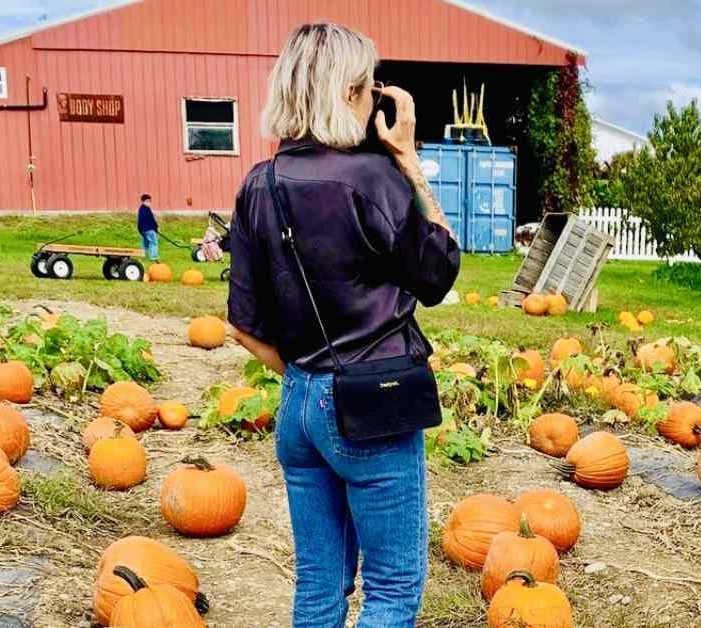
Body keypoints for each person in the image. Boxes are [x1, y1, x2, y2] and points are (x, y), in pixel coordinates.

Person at [225, 23, 460, 628]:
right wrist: (407, 159)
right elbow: (440, 273)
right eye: (368, 85)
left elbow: (244, 327)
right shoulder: (371, 178)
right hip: (374, 407)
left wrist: (311, 381)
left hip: (299, 406)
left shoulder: (261, 183)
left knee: (319, 588)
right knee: (392, 590)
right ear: (350, 92)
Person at [136, 194, 159, 262]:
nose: (149, 202)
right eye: (147, 201)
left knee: (145, 243)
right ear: (143, 201)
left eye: (150, 201)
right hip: (148, 229)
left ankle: (142, 256)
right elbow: (150, 220)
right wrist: (155, 228)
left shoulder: (143, 209)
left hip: (144, 230)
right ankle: (153, 257)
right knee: (153, 242)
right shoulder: (144, 210)